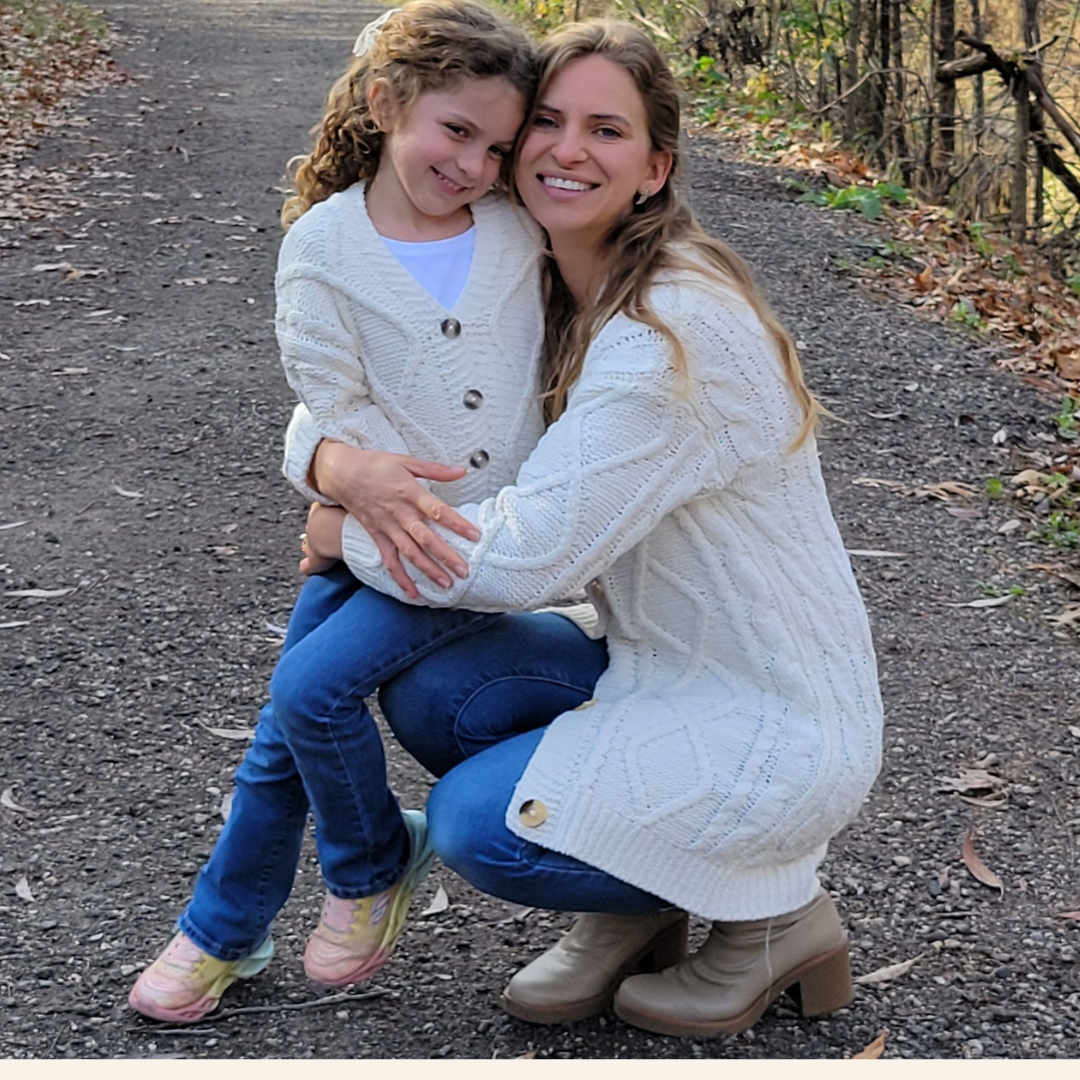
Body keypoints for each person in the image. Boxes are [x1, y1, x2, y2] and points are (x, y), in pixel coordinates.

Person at [299, 18, 884, 1039]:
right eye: (549, 122)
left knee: (483, 826)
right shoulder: (542, 281)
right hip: (656, 668)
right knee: (443, 686)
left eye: (606, 131)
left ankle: (779, 918)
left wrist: (339, 530)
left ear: (654, 169)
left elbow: (528, 558)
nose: (567, 151)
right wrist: (335, 463)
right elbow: (375, 391)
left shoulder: (671, 329)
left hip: (776, 715)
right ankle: (641, 902)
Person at [128, 0, 547, 1023]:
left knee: (302, 700)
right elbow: (330, 406)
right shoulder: (323, 246)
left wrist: (335, 493)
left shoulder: (517, 226)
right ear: (385, 101)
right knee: (291, 714)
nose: (474, 165)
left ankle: (298, 895)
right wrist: (335, 476)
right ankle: (261, 912)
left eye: (497, 146)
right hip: (387, 542)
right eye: (456, 131)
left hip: (494, 542)